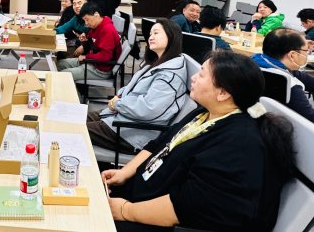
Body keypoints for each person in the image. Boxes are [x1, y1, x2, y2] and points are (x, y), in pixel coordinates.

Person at [104, 52, 295, 232]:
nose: (193, 78)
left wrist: (125, 211)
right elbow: (158, 144)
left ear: (223, 93)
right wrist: (124, 173)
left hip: (161, 221)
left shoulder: (238, 143)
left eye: (202, 75)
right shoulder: (205, 114)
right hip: (140, 196)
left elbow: (189, 205)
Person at [86, 18, 188, 153]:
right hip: (124, 117)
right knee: (78, 117)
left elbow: (149, 109)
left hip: (133, 132)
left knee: (77, 129)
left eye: (156, 33)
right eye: (150, 34)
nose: (150, 37)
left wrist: (118, 103)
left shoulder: (170, 75)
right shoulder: (158, 62)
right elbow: (132, 88)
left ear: (171, 36)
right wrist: (119, 97)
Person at [252, 28, 314, 122]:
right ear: (292, 55)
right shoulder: (290, 86)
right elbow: (310, 118)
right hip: (280, 127)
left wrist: (303, 44)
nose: (307, 54)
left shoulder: (253, 62)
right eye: (306, 51)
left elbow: (308, 81)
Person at [57, 2, 121, 82]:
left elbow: (105, 56)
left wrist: (86, 57)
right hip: (91, 62)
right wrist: (85, 41)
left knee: (62, 75)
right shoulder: (95, 27)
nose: (86, 23)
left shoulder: (108, 30)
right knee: (59, 64)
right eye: (84, 20)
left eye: (87, 19)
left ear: (96, 15)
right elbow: (91, 45)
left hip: (100, 70)